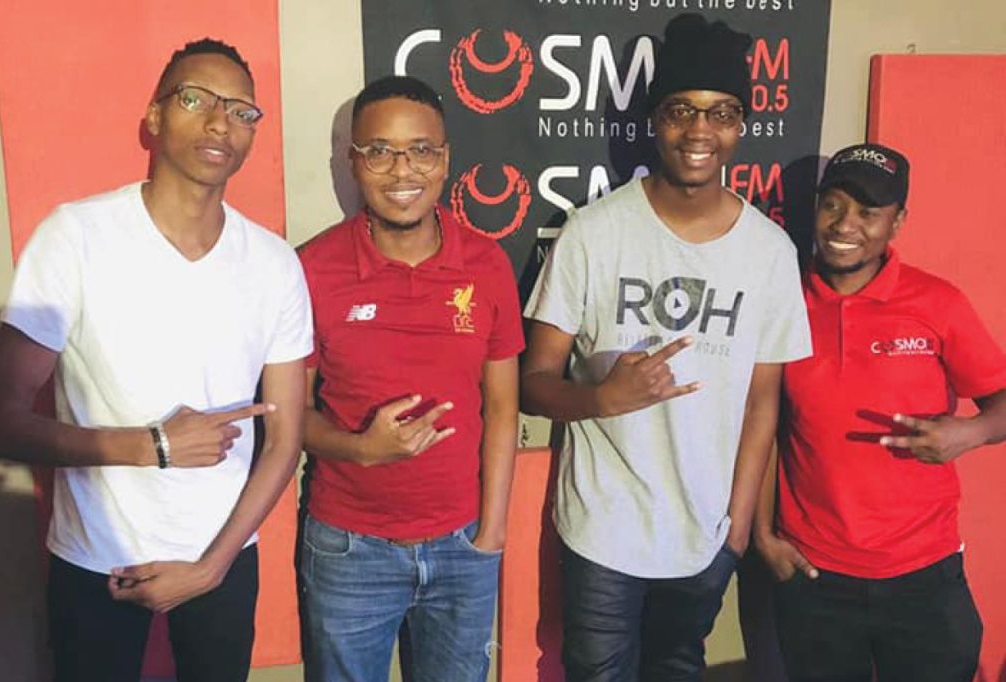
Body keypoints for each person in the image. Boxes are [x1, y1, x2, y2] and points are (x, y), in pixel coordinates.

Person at [0, 38, 312, 682]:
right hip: (96, 560)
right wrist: (153, 445)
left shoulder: (274, 263)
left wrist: (212, 567)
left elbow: (284, 440)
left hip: (223, 560)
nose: (220, 121)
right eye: (196, 99)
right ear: (155, 116)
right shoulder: (75, 237)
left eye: (241, 110)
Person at [520, 13, 812, 682]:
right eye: (682, 110)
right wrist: (602, 399)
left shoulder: (769, 252)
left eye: (721, 113)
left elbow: (763, 403)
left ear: (740, 126)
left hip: (705, 534)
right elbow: (534, 380)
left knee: (679, 668)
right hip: (604, 530)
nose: (700, 130)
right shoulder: (593, 232)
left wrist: (739, 522)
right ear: (655, 120)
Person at [297, 75, 523, 682]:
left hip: (463, 546)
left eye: (421, 150)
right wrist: (360, 449)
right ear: (354, 161)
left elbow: (504, 407)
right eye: (380, 151)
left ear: (445, 159)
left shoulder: (487, 263)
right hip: (349, 549)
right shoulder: (313, 269)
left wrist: (492, 532)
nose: (402, 170)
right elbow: (287, 416)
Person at [752, 142, 1006, 682]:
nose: (845, 225)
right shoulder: (783, 302)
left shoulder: (937, 302)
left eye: (868, 212)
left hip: (924, 577)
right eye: (833, 205)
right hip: (815, 576)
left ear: (897, 222)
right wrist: (763, 537)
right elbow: (760, 428)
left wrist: (970, 432)